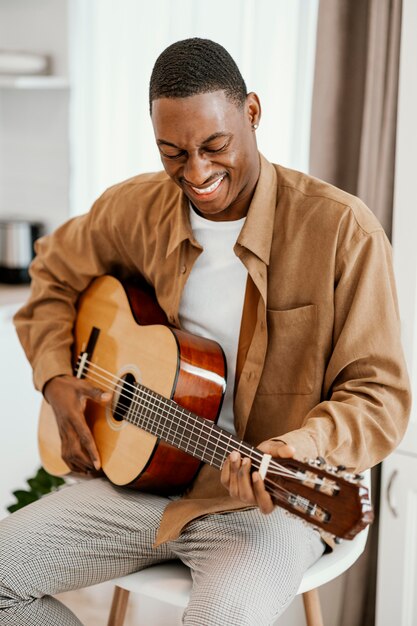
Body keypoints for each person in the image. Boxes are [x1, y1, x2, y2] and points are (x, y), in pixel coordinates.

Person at [0, 37, 411, 626]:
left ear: (252, 113)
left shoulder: (343, 231)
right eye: (173, 152)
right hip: (145, 487)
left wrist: (300, 447)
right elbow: (52, 272)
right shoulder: (136, 208)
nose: (196, 172)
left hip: (270, 507)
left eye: (215, 146)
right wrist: (56, 379)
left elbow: (380, 398)